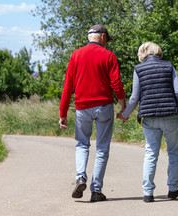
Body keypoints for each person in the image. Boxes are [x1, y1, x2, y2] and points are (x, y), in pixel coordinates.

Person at [59, 24, 126, 202]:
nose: (106, 43)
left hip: (82, 107)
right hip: (104, 106)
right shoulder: (109, 55)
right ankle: (96, 191)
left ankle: (81, 177)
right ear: (102, 36)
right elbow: (116, 83)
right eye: (106, 39)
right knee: (102, 148)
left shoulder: (76, 55)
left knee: (82, 144)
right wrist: (123, 105)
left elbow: (68, 86)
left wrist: (63, 112)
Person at [117, 42, 178, 202]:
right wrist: (176, 107)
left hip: (149, 118)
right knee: (174, 153)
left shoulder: (138, 70)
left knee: (151, 154)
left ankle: (148, 193)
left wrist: (125, 114)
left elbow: (134, 97)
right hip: (171, 116)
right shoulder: (169, 66)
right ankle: (173, 190)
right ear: (158, 52)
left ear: (142, 54)